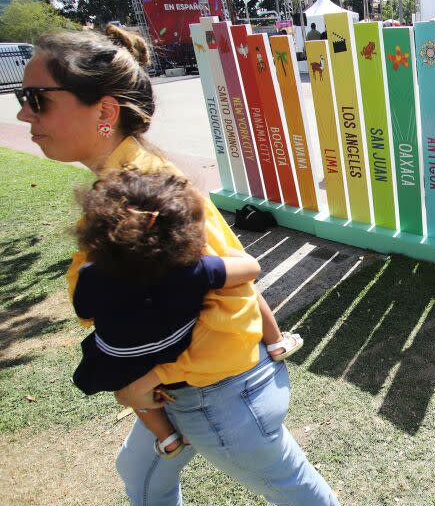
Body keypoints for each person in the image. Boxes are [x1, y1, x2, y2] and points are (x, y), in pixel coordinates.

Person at [15, 26, 345, 506]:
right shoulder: (135, 182)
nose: (23, 113)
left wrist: (150, 379)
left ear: (105, 111)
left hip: (216, 398)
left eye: (37, 99)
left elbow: (226, 298)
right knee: (140, 473)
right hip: (205, 394)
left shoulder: (142, 195)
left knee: (295, 490)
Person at [71, 169, 304, 459]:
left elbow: (84, 312)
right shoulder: (193, 269)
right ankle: (277, 341)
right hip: (175, 353)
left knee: (130, 390)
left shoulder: (91, 274)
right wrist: (225, 253)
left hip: (120, 360)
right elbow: (251, 269)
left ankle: (167, 439)